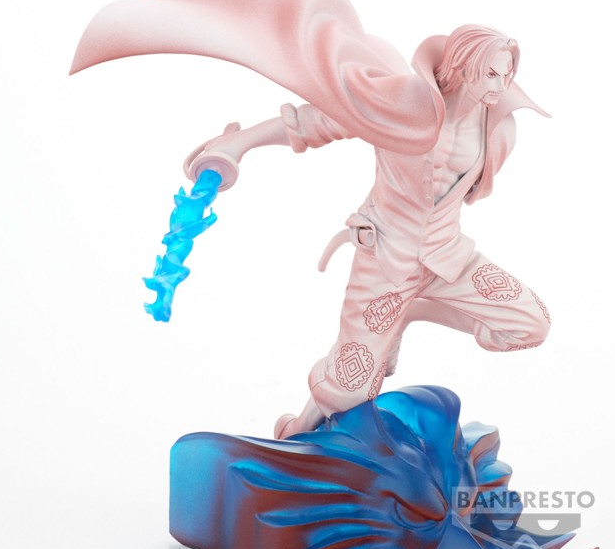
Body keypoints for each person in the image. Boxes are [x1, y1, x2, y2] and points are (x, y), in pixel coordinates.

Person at [193, 24, 552, 438]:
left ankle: (411, 312)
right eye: (490, 73)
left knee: (530, 324)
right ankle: (298, 430)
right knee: (351, 391)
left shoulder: (498, 127)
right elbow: (316, 121)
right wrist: (239, 144)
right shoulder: (403, 101)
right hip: (385, 259)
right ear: (462, 65)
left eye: (506, 75)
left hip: (448, 255)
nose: (500, 85)